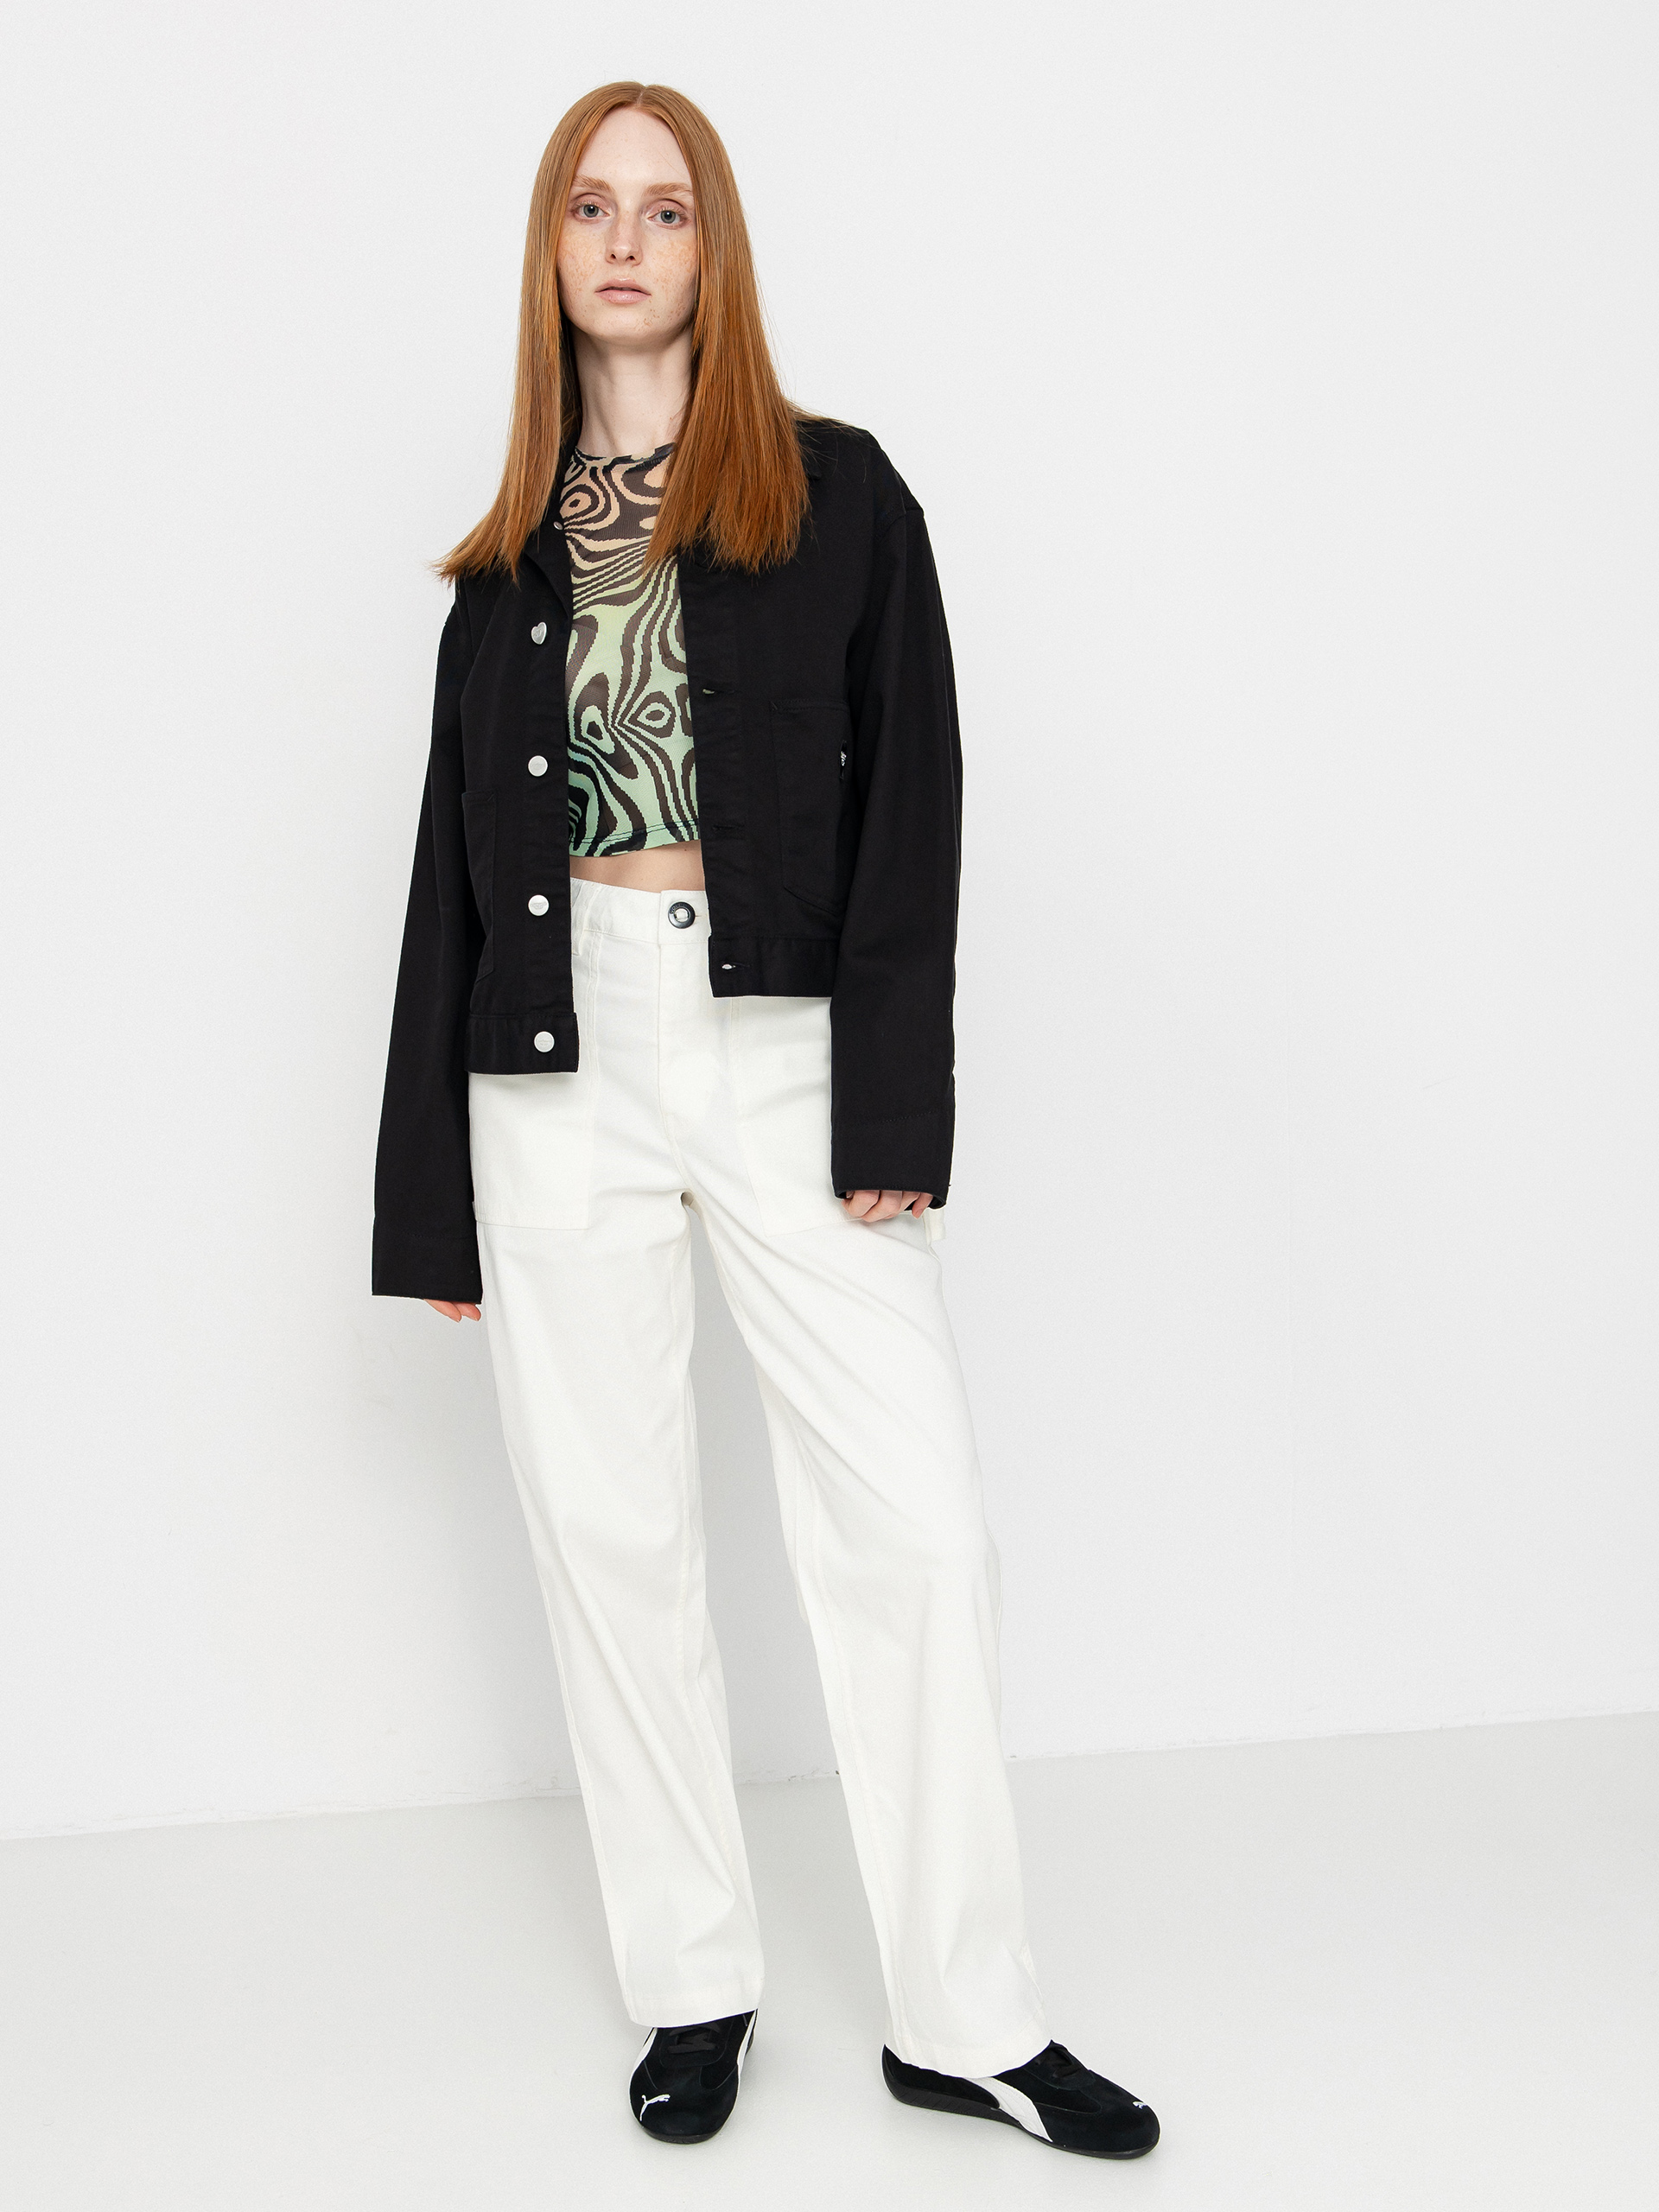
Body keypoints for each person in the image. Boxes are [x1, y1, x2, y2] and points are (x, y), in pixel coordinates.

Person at [372, 79, 1159, 2160]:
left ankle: (966, 2018)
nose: (626, 242)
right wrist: (430, 1199)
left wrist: (896, 1093)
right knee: (611, 1534)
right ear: (550, 252)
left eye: (666, 209)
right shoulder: (506, 564)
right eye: (589, 208)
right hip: (557, 1063)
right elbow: (450, 887)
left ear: (715, 248)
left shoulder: (839, 495)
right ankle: (693, 1981)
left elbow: (919, 805)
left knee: (918, 1526)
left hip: (785, 1043)